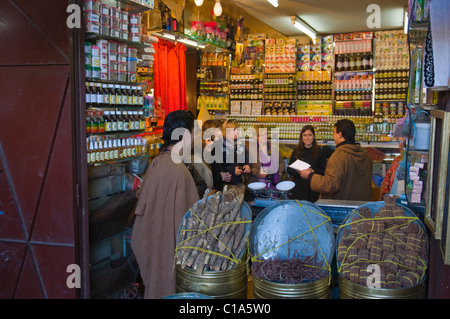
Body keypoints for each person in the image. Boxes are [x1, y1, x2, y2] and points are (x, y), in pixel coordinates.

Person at [131, 110, 200, 299]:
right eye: (195, 132)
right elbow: (190, 222)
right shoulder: (178, 170)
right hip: (168, 250)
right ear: (185, 135)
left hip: (153, 247)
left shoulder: (157, 162)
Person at [300, 119, 373, 201]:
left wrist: (310, 176)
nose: (333, 136)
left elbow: (330, 185)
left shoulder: (339, 155)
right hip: (361, 205)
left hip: (343, 206)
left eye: (334, 133)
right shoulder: (365, 154)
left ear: (340, 134)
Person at [287, 125, 327, 202]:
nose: (307, 138)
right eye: (305, 135)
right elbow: (289, 170)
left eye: (310, 135)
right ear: (301, 137)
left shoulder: (320, 152)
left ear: (314, 136)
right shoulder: (296, 151)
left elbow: (324, 172)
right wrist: (299, 172)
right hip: (298, 188)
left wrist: (312, 171)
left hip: (313, 189)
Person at [201, 119, 231, 191]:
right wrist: (220, 177)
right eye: (217, 130)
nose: (219, 133)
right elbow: (203, 176)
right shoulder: (203, 150)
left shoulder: (215, 147)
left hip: (217, 189)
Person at [221, 119, 251, 186]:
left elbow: (246, 160)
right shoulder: (220, 145)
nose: (237, 132)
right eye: (234, 130)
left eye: (238, 129)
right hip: (227, 184)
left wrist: (247, 165)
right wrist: (232, 170)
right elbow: (218, 167)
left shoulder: (240, 144)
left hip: (241, 182)